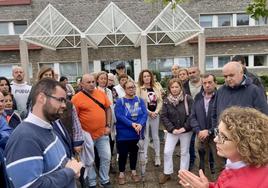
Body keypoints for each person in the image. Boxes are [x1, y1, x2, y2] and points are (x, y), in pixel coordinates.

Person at [4, 78, 82, 188]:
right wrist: (70, 171)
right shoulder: (24, 138)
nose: (64, 105)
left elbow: (56, 163)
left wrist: (70, 164)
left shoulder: (48, 128)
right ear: (42, 98)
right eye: (60, 100)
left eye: (65, 100)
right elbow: (31, 185)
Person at [179, 106, 268, 188]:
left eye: (223, 136)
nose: (215, 139)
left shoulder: (242, 184)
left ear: (244, 143)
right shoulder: (242, 165)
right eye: (218, 132)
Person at [72, 74, 113, 188]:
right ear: (82, 84)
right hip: (86, 136)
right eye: (88, 82)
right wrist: (77, 138)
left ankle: (104, 180)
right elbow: (74, 119)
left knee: (106, 157)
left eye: (92, 82)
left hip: (102, 134)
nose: (91, 84)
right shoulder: (76, 98)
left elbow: (108, 108)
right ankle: (92, 182)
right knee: (89, 161)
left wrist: (108, 126)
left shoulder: (101, 94)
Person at [212, 61, 268, 130]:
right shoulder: (220, 91)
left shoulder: (254, 90)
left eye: (231, 75)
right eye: (225, 76)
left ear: (241, 73)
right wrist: (217, 130)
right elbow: (214, 114)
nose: (228, 79)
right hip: (224, 137)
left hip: (246, 137)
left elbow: (263, 116)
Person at [159, 78, 193, 184]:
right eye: (172, 87)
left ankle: (183, 176)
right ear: (169, 88)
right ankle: (167, 173)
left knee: (184, 152)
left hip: (186, 131)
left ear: (180, 87)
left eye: (176, 87)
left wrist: (185, 128)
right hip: (172, 131)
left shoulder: (188, 98)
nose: (174, 89)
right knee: (167, 151)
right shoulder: (166, 100)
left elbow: (193, 115)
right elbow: (164, 116)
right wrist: (172, 129)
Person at [190, 74, 224, 178]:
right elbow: (192, 116)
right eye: (204, 83)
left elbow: (221, 118)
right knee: (201, 162)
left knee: (219, 163)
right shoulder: (198, 97)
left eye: (210, 82)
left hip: (216, 136)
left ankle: (220, 183)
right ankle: (206, 182)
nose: (207, 85)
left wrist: (209, 131)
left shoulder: (220, 97)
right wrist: (198, 130)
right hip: (200, 134)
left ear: (215, 83)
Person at [115, 80, 147, 185]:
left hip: (136, 132)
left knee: (134, 153)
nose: (132, 89)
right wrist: (131, 124)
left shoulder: (140, 100)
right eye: (129, 87)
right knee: (123, 154)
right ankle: (121, 173)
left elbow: (144, 114)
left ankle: (133, 171)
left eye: (133, 87)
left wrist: (140, 124)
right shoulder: (120, 101)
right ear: (124, 89)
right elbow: (119, 116)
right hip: (123, 134)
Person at [136, 70, 163, 166]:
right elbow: (139, 103)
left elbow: (160, 101)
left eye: (148, 76)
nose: (147, 78)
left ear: (151, 77)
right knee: (146, 136)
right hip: (144, 115)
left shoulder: (156, 87)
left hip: (155, 115)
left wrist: (156, 112)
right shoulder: (139, 88)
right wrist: (149, 112)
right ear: (142, 78)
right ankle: (145, 156)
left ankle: (157, 157)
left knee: (156, 136)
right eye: (144, 76)